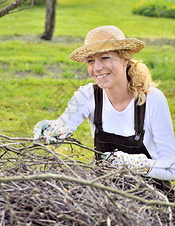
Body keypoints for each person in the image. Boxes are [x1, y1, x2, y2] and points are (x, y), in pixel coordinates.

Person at [34, 25, 175, 188]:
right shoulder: (88, 95)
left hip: (150, 199)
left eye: (105, 58)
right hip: (105, 197)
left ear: (125, 59)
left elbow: (171, 167)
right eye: (90, 61)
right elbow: (64, 124)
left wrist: (131, 163)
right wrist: (52, 129)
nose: (97, 68)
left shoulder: (152, 100)